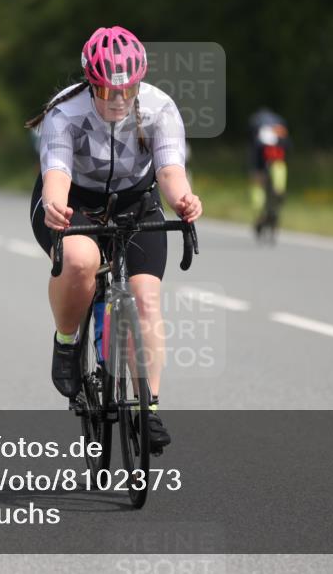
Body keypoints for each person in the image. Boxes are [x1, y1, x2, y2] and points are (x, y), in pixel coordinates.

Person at [26, 26, 202, 452]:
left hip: (135, 202)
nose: (119, 99)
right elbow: (57, 174)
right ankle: (67, 342)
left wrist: (183, 199)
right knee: (81, 261)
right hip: (74, 201)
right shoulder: (65, 112)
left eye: (128, 89)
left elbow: (169, 170)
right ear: (91, 83)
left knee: (146, 298)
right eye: (107, 91)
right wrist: (55, 206)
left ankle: (148, 408)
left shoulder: (160, 109)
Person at [248, 107, 290, 240]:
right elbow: (287, 150)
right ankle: (279, 191)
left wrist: (255, 171)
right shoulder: (279, 128)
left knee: (257, 185)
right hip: (277, 161)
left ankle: (259, 213)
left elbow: (254, 154)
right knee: (278, 168)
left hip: (263, 160)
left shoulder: (257, 127)